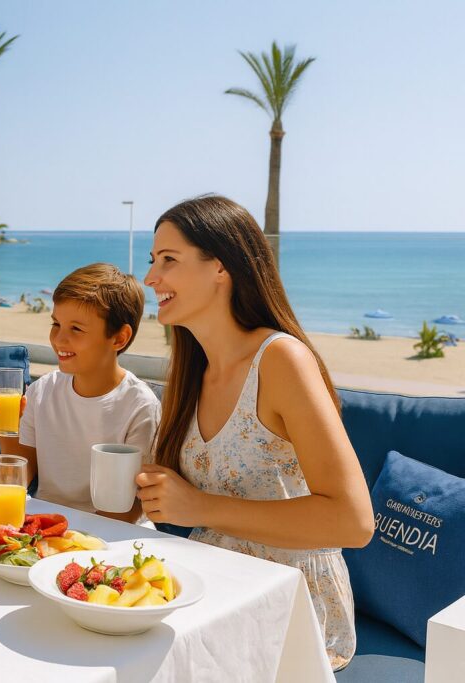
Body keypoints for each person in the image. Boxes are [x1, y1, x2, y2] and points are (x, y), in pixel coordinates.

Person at [140, 194, 373, 670]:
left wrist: (199, 507)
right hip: (207, 588)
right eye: (152, 261)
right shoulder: (191, 372)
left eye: (169, 260)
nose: (150, 278)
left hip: (288, 605)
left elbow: (353, 521)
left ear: (220, 268)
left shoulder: (282, 361)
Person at [0, 263, 160, 521]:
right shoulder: (43, 390)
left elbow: (128, 510)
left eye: (76, 329)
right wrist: (7, 427)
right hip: (44, 524)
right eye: (56, 324)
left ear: (119, 339)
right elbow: (18, 478)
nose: (59, 339)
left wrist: (65, 539)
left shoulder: (139, 407)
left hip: (108, 535)